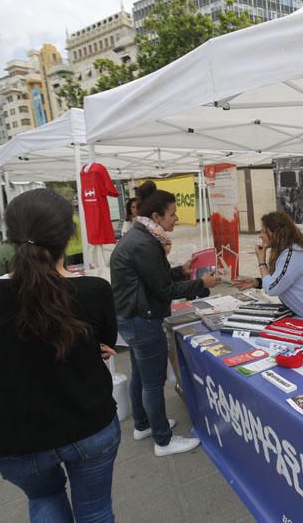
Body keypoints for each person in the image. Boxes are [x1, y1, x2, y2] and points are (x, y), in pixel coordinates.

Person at [0, 189, 120, 522]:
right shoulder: (93, 290)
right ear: (68, 236)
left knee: (46, 499)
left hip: (18, 436)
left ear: (11, 236)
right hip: (89, 424)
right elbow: (106, 342)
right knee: (95, 510)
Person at [110, 181, 219, 457]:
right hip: (142, 318)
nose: (176, 219)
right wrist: (202, 283)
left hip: (133, 315)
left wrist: (182, 271)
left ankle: (144, 424)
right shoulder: (145, 243)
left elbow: (155, 278)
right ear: (156, 217)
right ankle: (163, 440)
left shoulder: (143, 237)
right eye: (171, 214)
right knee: (152, 381)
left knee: (140, 375)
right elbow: (163, 290)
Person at [233, 211, 303, 323]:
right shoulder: (291, 251)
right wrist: (257, 282)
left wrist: (261, 261)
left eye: (263, 231)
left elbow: (272, 288)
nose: (260, 235)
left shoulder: (294, 253)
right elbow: (283, 280)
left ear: (275, 233)